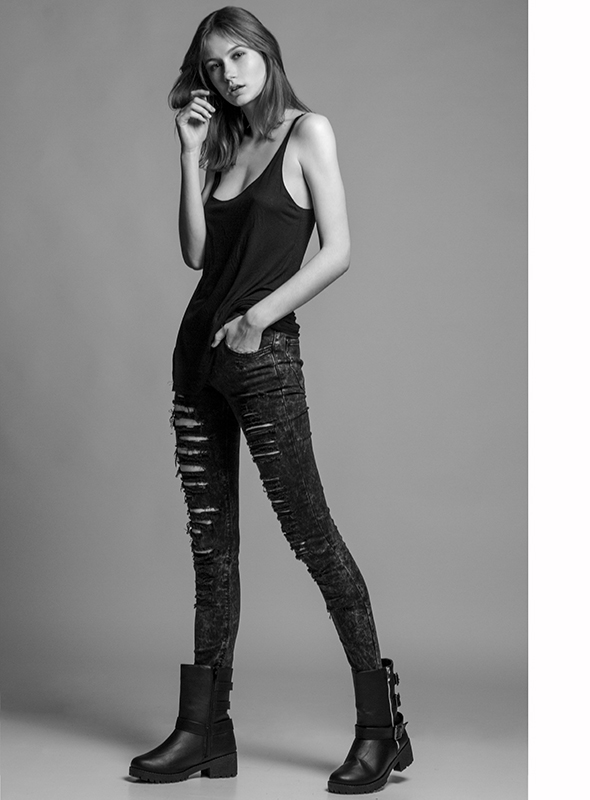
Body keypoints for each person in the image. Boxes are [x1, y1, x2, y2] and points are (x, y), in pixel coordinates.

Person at [129, 6, 413, 794]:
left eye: (239, 56)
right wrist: (188, 155)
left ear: (266, 53)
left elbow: (339, 250)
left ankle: (379, 730)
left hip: (264, 359)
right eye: (213, 65)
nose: (228, 74)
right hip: (197, 361)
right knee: (211, 549)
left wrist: (259, 317)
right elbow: (195, 254)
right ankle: (203, 732)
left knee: (311, 535)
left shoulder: (307, 132)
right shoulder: (222, 144)